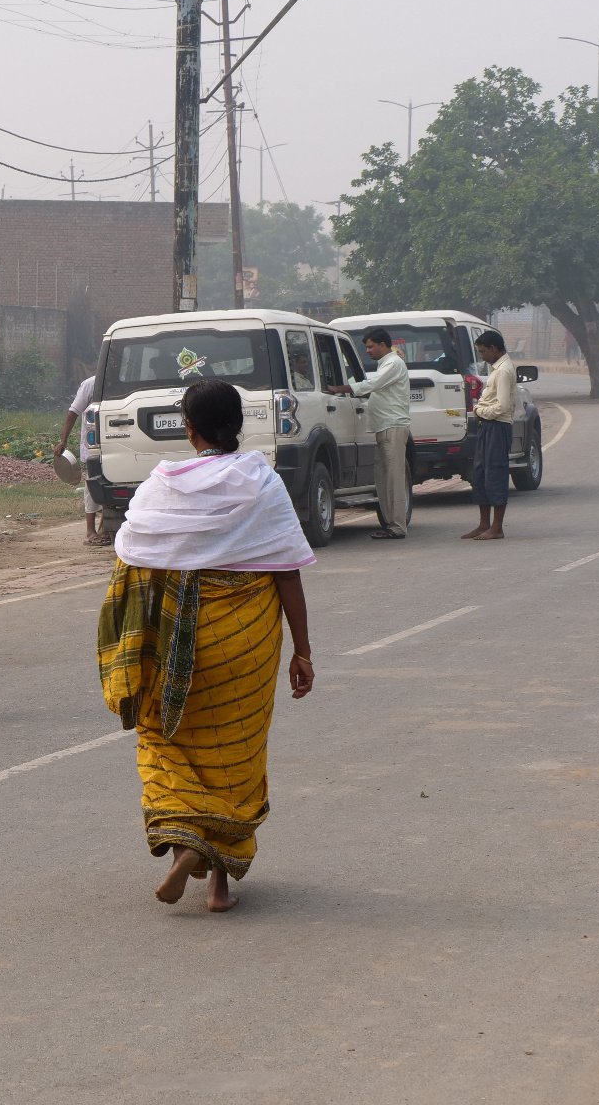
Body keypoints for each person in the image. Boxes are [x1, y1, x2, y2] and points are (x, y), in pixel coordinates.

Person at [98, 379, 314, 913]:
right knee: (235, 754)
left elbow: (131, 564)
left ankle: (186, 846)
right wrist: (303, 652)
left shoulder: (161, 484)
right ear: (238, 424)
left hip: (178, 647)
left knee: (167, 742)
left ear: (188, 426)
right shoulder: (263, 482)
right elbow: (288, 572)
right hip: (247, 644)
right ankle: (218, 884)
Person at [327, 327, 411, 539]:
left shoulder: (393, 364)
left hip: (393, 426)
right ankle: (391, 523)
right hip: (383, 426)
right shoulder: (385, 365)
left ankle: (398, 526)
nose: (368, 351)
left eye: (371, 346)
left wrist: (341, 388)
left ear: (383, 345)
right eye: (366, 347)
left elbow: (372, 385)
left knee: (393, 478)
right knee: (383, 479)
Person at [463, 330, 515, 541]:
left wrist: (479, 411)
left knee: (495, 474)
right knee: (480, 474)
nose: (482, 356)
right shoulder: (497, 369)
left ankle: (497, 527)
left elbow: (502, 406)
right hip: (488, 427)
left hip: (497, 426)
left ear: (493, 349)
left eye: (483, 351)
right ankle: (484, 524)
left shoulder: (503, 371)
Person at [55, 373, 106, 546]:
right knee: (93, 486)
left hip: (117, 444)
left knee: (112, 485)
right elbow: (73, 412)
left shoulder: (120, 380)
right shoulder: (90, 384)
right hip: (93, 446)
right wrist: (63, 440)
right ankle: (90, 532)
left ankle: (104, 529)